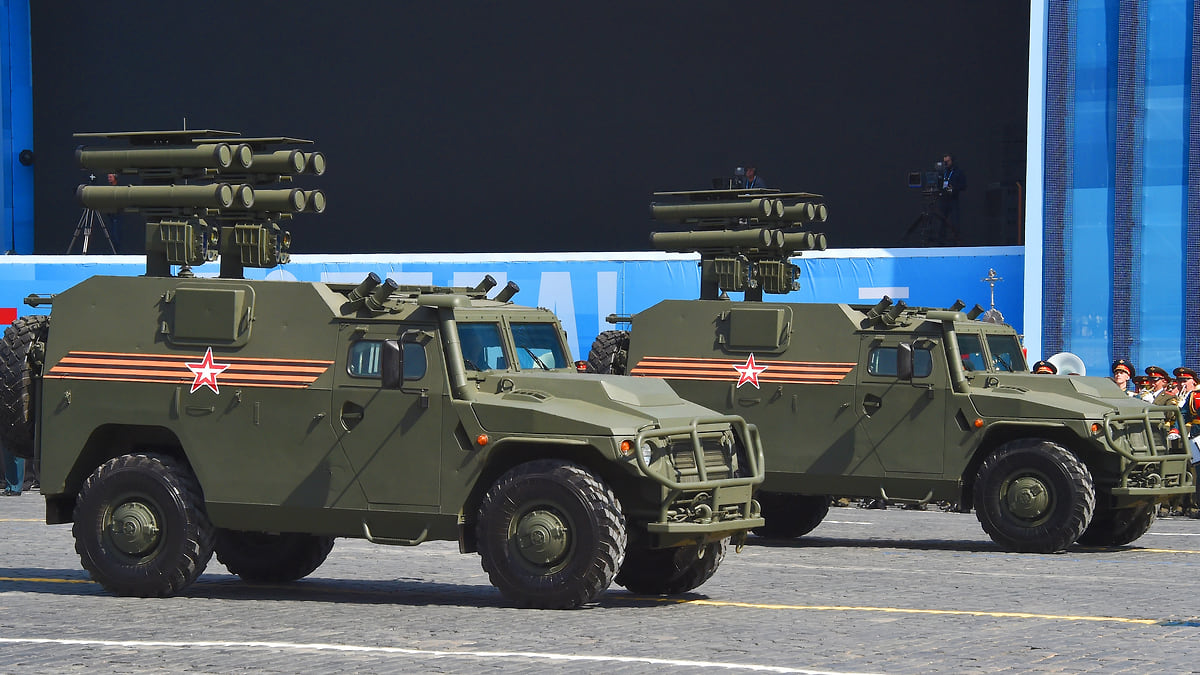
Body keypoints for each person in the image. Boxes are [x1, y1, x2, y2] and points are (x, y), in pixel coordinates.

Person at [934, 154, 966, 244]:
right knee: (941, 221)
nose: (946, 163)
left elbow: (963, 186)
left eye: (947, 161)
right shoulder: (943, 172)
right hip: (943, 200)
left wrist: (954, 188)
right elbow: (939, 184)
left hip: (953, 200)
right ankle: (941, 240)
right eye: (944, 162)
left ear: (952, 161)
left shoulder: (958, 172)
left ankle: (956, 240)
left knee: (954, 221)